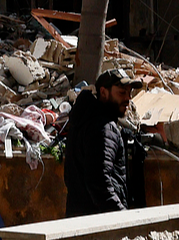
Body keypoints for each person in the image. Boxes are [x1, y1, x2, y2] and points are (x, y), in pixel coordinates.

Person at [61, 68, 145, 217]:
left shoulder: (82, 120)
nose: (128, 99)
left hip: (78, 217)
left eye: (129, 93)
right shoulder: (104, 128)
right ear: (104, 93)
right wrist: (122, 217)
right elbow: (99, 183)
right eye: (121, 92)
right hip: (98, 224)